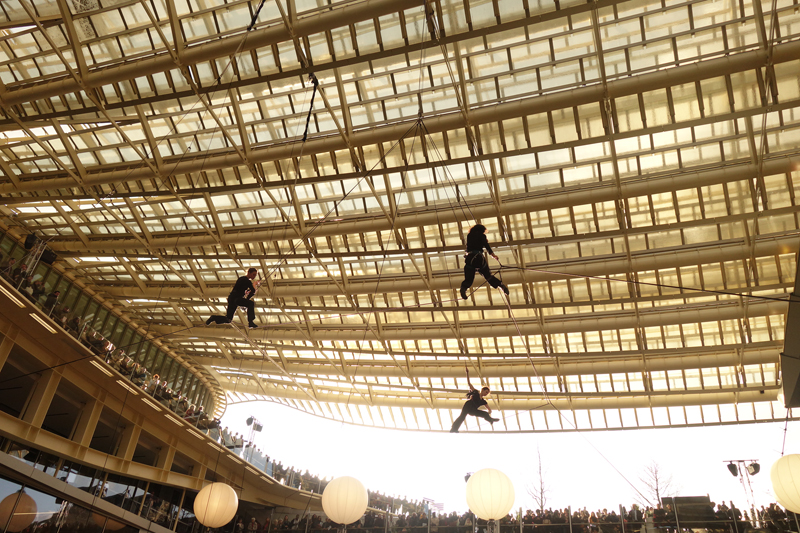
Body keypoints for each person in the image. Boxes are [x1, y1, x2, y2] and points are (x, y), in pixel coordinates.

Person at [460, 224, 508, 299]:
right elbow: (487, 246)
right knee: (488, 275)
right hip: (479, 258)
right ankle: (501, 285)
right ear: (482, 230)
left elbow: (469, 246)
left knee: (469, 278)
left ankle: (464, 288)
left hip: (470, 258)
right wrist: (493, 255)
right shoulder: (482, 236)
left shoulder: (469, 235)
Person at [449, 365, 498, 433]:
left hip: (473, 410)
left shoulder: (483, 401)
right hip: (468, 406)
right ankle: (454, 428)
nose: (486, 394)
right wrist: (467, 373)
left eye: (487, 393)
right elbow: (469, 384)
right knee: (462, 417)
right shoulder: (476, 393)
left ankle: (490, 420)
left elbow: (489, 409)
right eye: (486, 392)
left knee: (485, 414)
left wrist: (489, 413)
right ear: (483, 390)